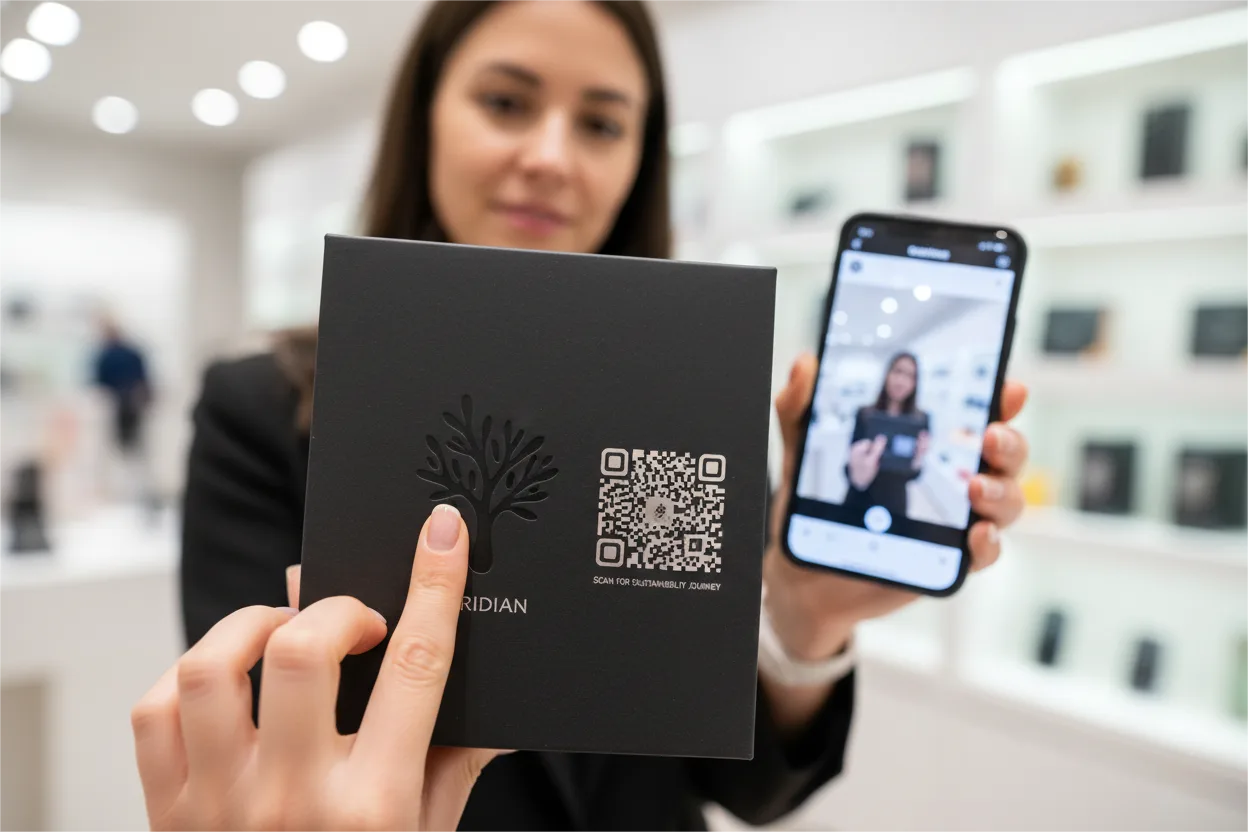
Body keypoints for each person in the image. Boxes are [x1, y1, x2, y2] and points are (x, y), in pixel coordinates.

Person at [135, 0, 1032, 829]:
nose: (552, 157)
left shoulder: (696, 401)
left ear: (640, 157)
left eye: (601, 123)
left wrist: (803, 618)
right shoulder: (261, 411)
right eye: (506, 102)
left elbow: (741, 782)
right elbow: (265, 760)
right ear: (425, 120)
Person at [844, 352, 930, 519]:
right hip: (860, 498)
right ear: (887, 374)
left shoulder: (921, 421)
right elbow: (848, 466)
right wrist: (859, 474)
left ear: (915, 382)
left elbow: (914, 474)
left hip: (895, 501)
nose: (901, 381)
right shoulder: (865, 414)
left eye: (909, 375)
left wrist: (918, 460)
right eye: (897, 371)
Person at [92, 316, 154, 504]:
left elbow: (143, 380)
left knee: (133, 450)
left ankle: (137, 493)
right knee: (121, 449)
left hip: (129, 406)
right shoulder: (108, 355)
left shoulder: (121, 354)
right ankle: (123, 492)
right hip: (117, 406)